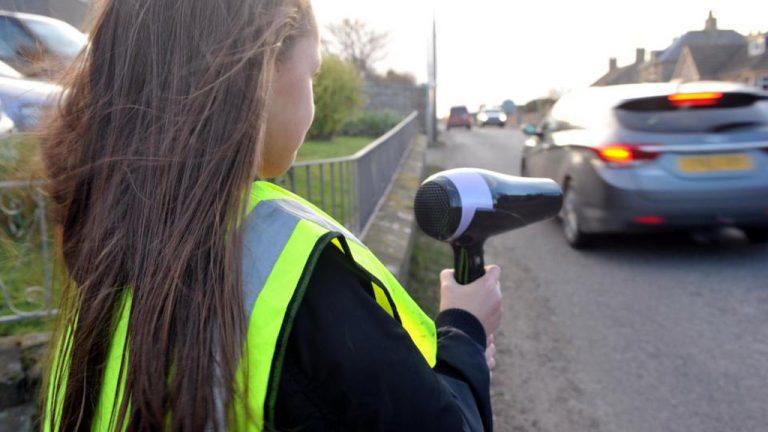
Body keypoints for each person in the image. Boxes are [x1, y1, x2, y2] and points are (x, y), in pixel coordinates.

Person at [41, 0, 503, 430]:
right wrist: (465, 330)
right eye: (312, 74)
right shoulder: (293, 271)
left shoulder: (101, 265)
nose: (313, 103)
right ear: (262, 71)